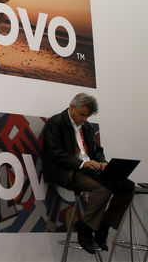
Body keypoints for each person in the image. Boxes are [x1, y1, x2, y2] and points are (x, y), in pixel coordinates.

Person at [43, 93, 134, 253]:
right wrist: (82, 163)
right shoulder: (56, 123)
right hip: (69, 170)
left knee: (127, 188)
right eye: (82, 114)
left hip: (91, 169)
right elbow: (54, 152)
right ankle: (85, 227)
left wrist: (103, 162)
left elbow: (97, 151)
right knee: (103, 189)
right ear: (72, 107)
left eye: (87, 115)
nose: (84, 118)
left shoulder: (88, 127)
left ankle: (102, 228)